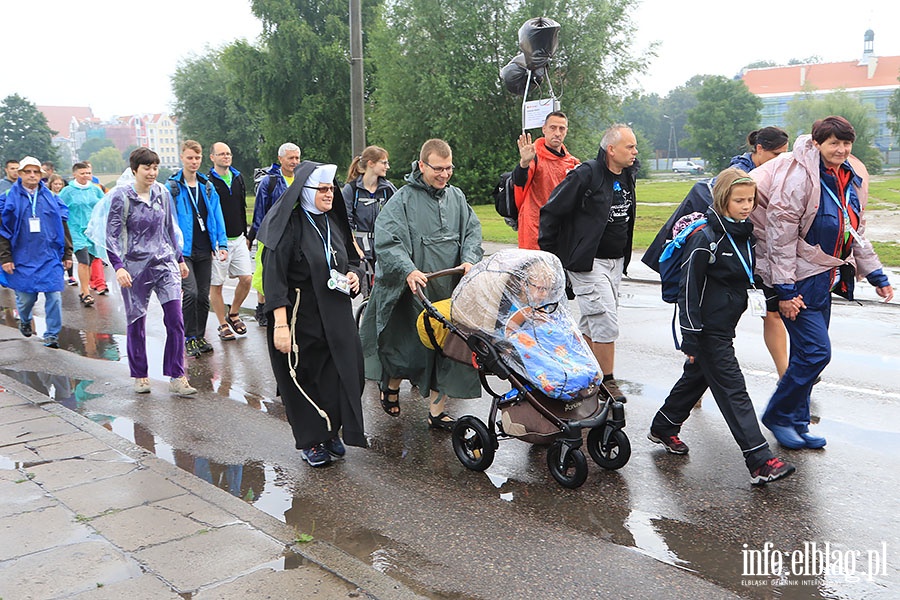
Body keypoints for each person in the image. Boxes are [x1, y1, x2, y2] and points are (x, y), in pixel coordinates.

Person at [751, 116, 893, 449]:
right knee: (816, 353)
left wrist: (876, 274)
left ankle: (797, 422)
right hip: (797, 281)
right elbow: (780, 235)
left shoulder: (845, 176)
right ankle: (778, 415)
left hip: (823, 278)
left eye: (846, 144)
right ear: (817, 143)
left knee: (806, 355)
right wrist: (784, 290)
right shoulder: (799, 178)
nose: (841, 149)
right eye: (834, 143)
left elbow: (851, 228)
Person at [648, 168, 796, 486]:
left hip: (725, 325)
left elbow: (748, 278)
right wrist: (690, 338)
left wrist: (773, 298)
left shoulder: (743, 233)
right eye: (738, 200)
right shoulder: (705, 238)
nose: (746, 206)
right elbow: (689, 289)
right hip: (706, 331)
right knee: (733, 390)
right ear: (722, 199)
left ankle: (664, 425)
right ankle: (760, 460)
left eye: (750, 199)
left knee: (697, 378)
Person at [643, 127, 791, 379]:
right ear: (759, 149)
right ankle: (693, 386)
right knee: (711, 331)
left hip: (751, 259)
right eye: (776, 155)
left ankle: (786, 377)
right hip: (720, 266)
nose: (781, 162)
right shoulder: (734, 179)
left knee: (772, 313)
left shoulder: (770, 176)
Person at [360, 139, 483, 429]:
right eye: (437, 168)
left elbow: (472, 233)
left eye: (449, 168)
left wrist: (468, 259)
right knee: (405, 349)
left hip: (448, 291)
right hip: (413, 291)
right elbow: (388, 241)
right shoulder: (402, 200)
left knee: (448, 351)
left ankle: (437, 413)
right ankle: (390, 385)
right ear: (421, 166)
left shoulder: (457, 197)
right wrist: (408, 270)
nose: (444, 174)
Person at [257, 162, 365, 467]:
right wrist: (280, 325)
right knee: (305, 378)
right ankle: (312, 440)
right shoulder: (288, 227)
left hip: (337, 315)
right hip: (299, 317)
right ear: (305, 191)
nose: (330, 194)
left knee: (347, 372)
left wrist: (355, 275)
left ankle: (332, 431)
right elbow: (274, 279)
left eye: (331, 188)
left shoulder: (334, 221)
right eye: (322, 189)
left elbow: (353, 259)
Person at [539, 124, 639, 403]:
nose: (635, 152)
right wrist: (551, 257)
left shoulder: (628, 175)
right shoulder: (586, 174)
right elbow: (551, 210)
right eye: (629, 147)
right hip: (588, 262)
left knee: (591, 321)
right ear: (611, 149)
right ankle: (607, 382)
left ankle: (581, 373)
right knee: (605, 321)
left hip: (616, 262)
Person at [106, 147, 196, 397]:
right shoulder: (122, 197)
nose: (152, 172)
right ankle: (140, 375)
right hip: (134, 267)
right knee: (137, 322)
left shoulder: (162, 193)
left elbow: (170, 228)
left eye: (155, 167)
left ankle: (177, 375)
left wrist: (179, 259)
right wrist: (118, 266)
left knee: (176, 320)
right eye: (147, 167)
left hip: (165, 264)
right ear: (135, 170)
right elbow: (111, 236)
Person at [0, 156, 72, 348]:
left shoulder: (53, 198)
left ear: (41, 175)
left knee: (54, 296)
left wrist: (67, 254)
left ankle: (52, 335)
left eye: (36, 172)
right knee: (26, 299)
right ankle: (25, 319)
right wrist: (5, 257)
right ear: (20, 174)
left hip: (49, 256)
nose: (32, 175)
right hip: (22, 257)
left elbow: (63, 227)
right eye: (27, 171)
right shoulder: (7, 198)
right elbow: (2, 231)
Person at [168, 140, 228, 357]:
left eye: (197, 158)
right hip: (183, 252)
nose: (194, 162)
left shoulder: (207, 187)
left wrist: (221, 244)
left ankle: (200, 336)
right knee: (191, 293)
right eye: (190, 158)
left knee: (203, 296)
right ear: (182, 158)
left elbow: (217, 217)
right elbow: (168, 221)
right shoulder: (173, 188)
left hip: (204, 249)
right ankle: (189, 337)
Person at [248, 142, 301, 327]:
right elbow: (259, 212)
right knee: (265, 273)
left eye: (297, 158)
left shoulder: (302, 179)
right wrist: (255, 235)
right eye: (290, 158)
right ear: (280, 159)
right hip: (270, 234)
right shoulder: (270, 181)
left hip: (295, 234)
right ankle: (262, 308)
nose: (294, 162)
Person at [513, 111, 580, 250]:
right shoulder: (534, 156)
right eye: (552, 127)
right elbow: (519, 181)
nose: (557, 133)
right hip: (534, 231)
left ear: (566, 131)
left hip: (560, 231)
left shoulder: (572, 163)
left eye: (561, 129)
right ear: (544, 129)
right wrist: (524, 163)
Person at [207, 142, 252, 341]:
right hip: (218, 242)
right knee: (216, 284)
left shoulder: (238, 177)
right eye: (221, 154)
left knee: (247, 278)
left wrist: (247, 234)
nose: (226, 157)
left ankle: (233, 313)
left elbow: (241, 207)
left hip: (239, 237)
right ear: (212, 157)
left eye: (228, 153)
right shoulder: (207, 182)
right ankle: (222, 324)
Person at [341, 145, 396, 290]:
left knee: (384, 287)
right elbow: (345, 223)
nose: (387, 167)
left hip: (382, 246)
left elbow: (399, 216)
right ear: (371, 163)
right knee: (365, 289)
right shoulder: (351, 189)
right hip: (359, 247)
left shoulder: (388, 189)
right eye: (384, 163)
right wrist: (355, 248)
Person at [60, 162, 108, 306]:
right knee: (83, 260)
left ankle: (84, 289)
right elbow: (59, 208)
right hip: (75, 230)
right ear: (74, 174)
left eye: (88, 173)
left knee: (90, 260)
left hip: (92, 230)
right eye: (82, 173)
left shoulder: (95, 190)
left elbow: (104, 206)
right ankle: (86, 292)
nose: (86, 176)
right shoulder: (68, 191)